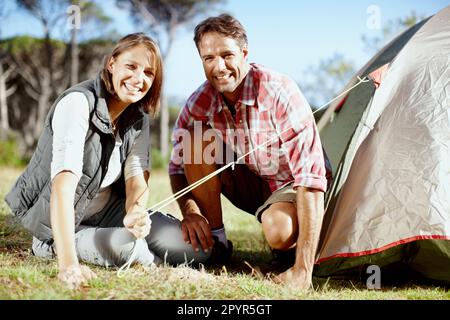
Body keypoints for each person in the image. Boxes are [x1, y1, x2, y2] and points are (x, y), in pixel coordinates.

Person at [5, 33, 209, 289]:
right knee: (130, 248)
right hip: (60, 227)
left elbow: (137, 174)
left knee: (197, 250)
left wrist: (135, 211)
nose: (139, 79)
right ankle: (150, 264)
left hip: (108, 214)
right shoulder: (78, 103)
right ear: (112, 63)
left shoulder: (138, 118)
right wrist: (69, 266)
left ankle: (148, 254)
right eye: (131, 66)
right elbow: (63, 187)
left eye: (148, 73)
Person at [169, 14, 332, 290]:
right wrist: (190, 212)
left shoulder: (278, 91)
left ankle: (289, 252)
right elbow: (176, 168)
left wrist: (303, 272)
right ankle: (218, 244)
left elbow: (311, 179)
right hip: (252, 179)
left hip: (292, 186)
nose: (219, 67)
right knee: (194, 140)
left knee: (278, 229)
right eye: (208, 58)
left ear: (244, 53)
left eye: (226, 55)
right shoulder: (200, 100)